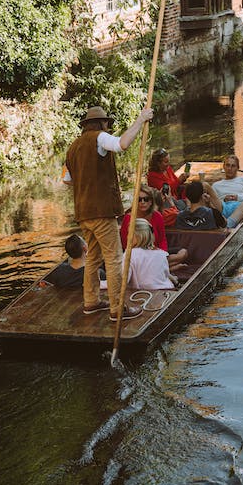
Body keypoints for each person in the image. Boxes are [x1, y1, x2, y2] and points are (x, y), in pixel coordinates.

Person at [62, 104, 152, 322]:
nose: (107, 127)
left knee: (92, 257)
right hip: (101, 212)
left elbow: (67, 181)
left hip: (83, 213)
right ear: (102, 123)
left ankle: (91, 302)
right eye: (106, 124)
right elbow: (122, 144)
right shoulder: (100, 138)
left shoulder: (73, 147)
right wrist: (141, 120)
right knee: (114, 258)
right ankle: (118, 308)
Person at [119, 186, 189, 271]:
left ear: (151, 201)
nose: (143, 202)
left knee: (183, 253)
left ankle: (163, 267)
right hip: (138, 257)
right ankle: (168, 268)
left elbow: (162, 239)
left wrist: (162, 254)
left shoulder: (157, 216)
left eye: (146, 199)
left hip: (156, 253)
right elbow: (124, 243)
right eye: (139, 199)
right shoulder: (128, 218)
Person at [123, 219, 175, 291]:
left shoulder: (130, 254)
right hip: (167, 291)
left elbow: (122, 281)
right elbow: (164, 275)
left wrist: (102, 284)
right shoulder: (162, 253)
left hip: (144, 295)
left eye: (129, 233)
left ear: (137, 236)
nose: (127, 237)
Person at [212, 154, 243, 228]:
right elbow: (214, 202)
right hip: (223, 208)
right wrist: (224, 199)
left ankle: (228, 224)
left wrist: (238, 198)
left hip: (240, 206)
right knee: (206, 188)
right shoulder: (216, 185)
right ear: (224, 167)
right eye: (227, 165)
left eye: (233, 166)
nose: (229, 168)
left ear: (237, 168)